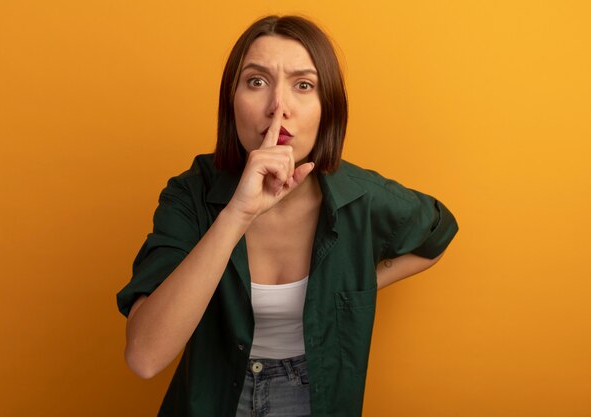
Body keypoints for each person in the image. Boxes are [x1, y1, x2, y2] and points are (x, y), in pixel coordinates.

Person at [116, 15, 458, 417]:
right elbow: (144, 357)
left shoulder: (361, 197)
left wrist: (352, 287)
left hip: (315, 395)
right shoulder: (189, 194)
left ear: (327, 109)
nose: (279, 106)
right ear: (231, 102)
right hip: (214, 397)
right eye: (257, 82)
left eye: (303, 85)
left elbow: (439, 231)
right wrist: (238, 214)